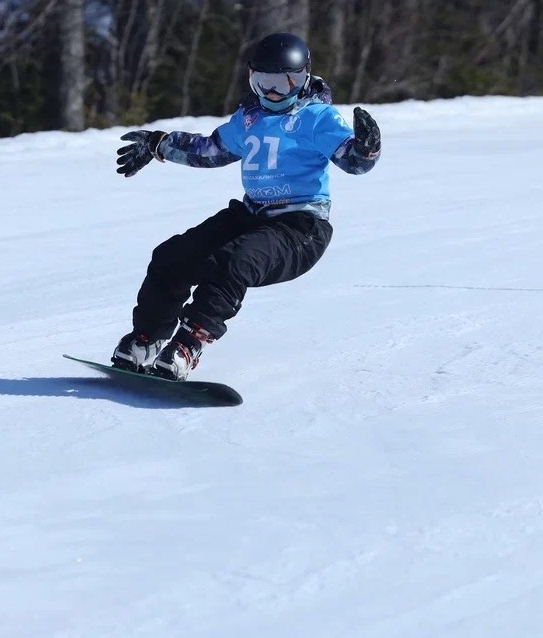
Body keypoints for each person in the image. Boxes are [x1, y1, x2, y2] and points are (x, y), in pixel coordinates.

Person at [110, 31, 382, 381]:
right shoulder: (250, 118)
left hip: (300, 226)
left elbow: (353, 162)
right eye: (262, 83)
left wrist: (366, 149)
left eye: (283, 84)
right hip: (252, 215)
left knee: (235, 261)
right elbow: (210, 150)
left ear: (303, 80)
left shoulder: (318, 118)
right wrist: (159, 145)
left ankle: (188, 344)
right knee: (172, 256)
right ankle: (147, 338)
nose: (271, 93)